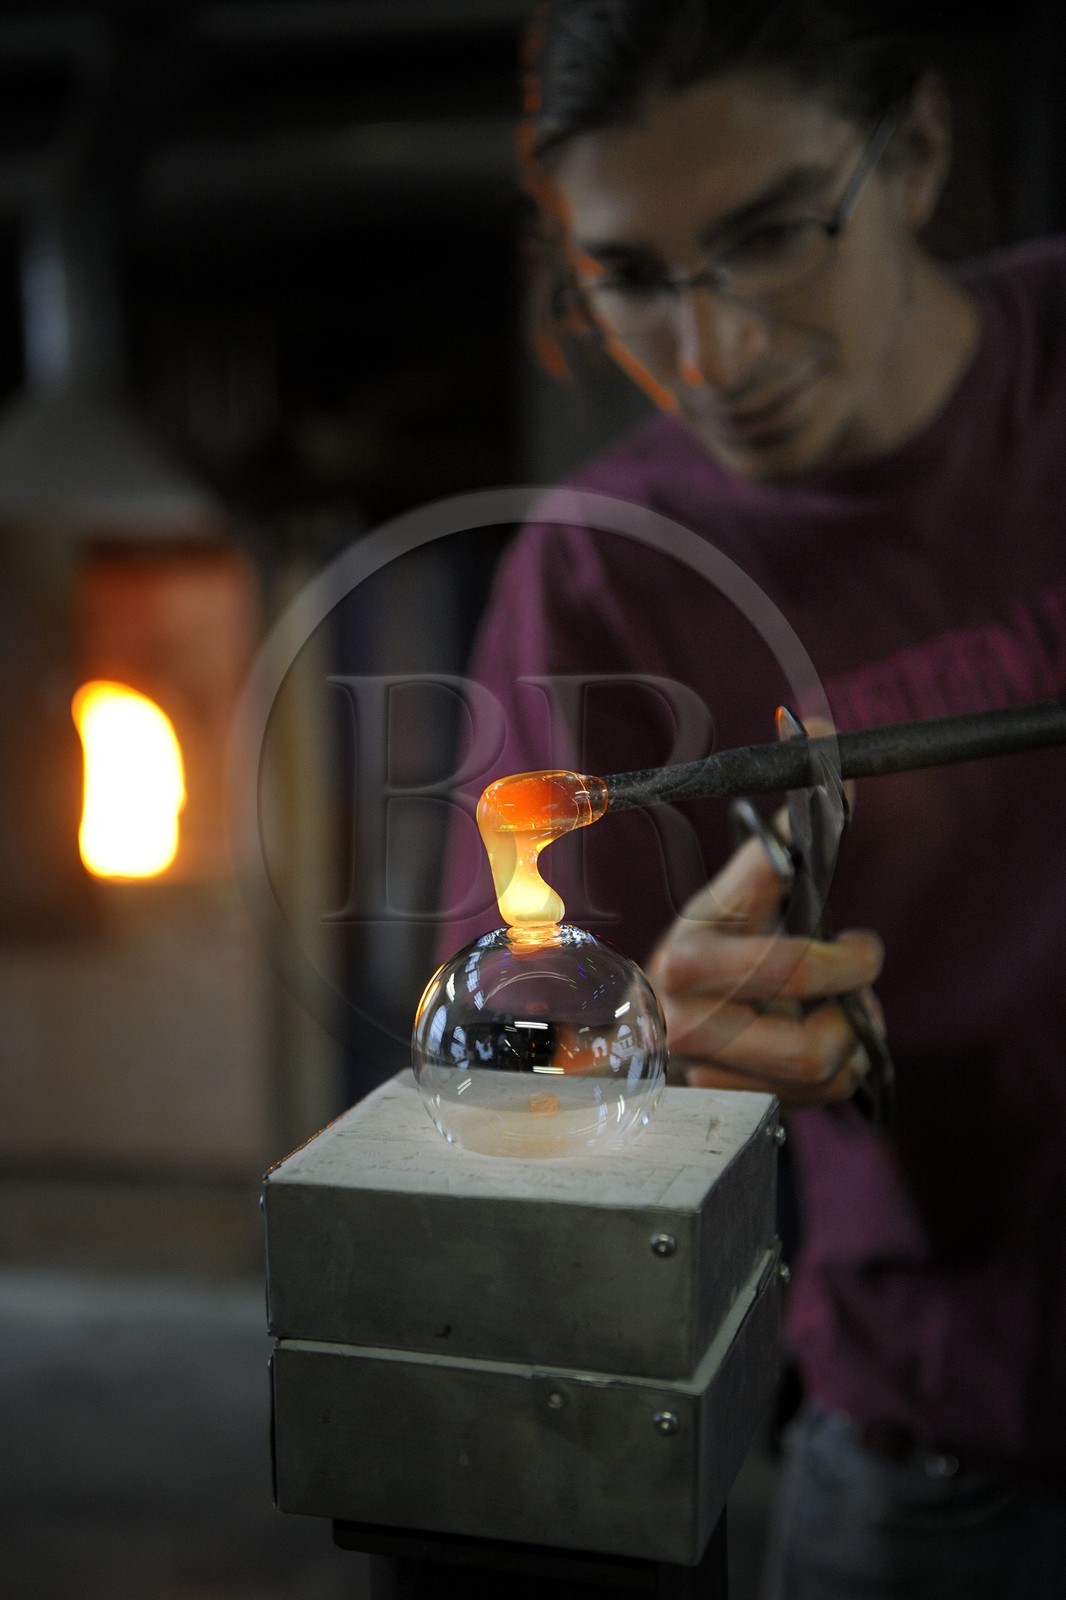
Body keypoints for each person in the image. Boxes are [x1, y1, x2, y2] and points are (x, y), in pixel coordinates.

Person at [436, 2, 1066, 1595]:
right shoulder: (596, 567)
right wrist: (654, 1043)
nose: (709, 354)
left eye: (774, 234)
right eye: (633, 276)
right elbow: (515, 1073)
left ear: (912, 151)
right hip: (944, 1431)